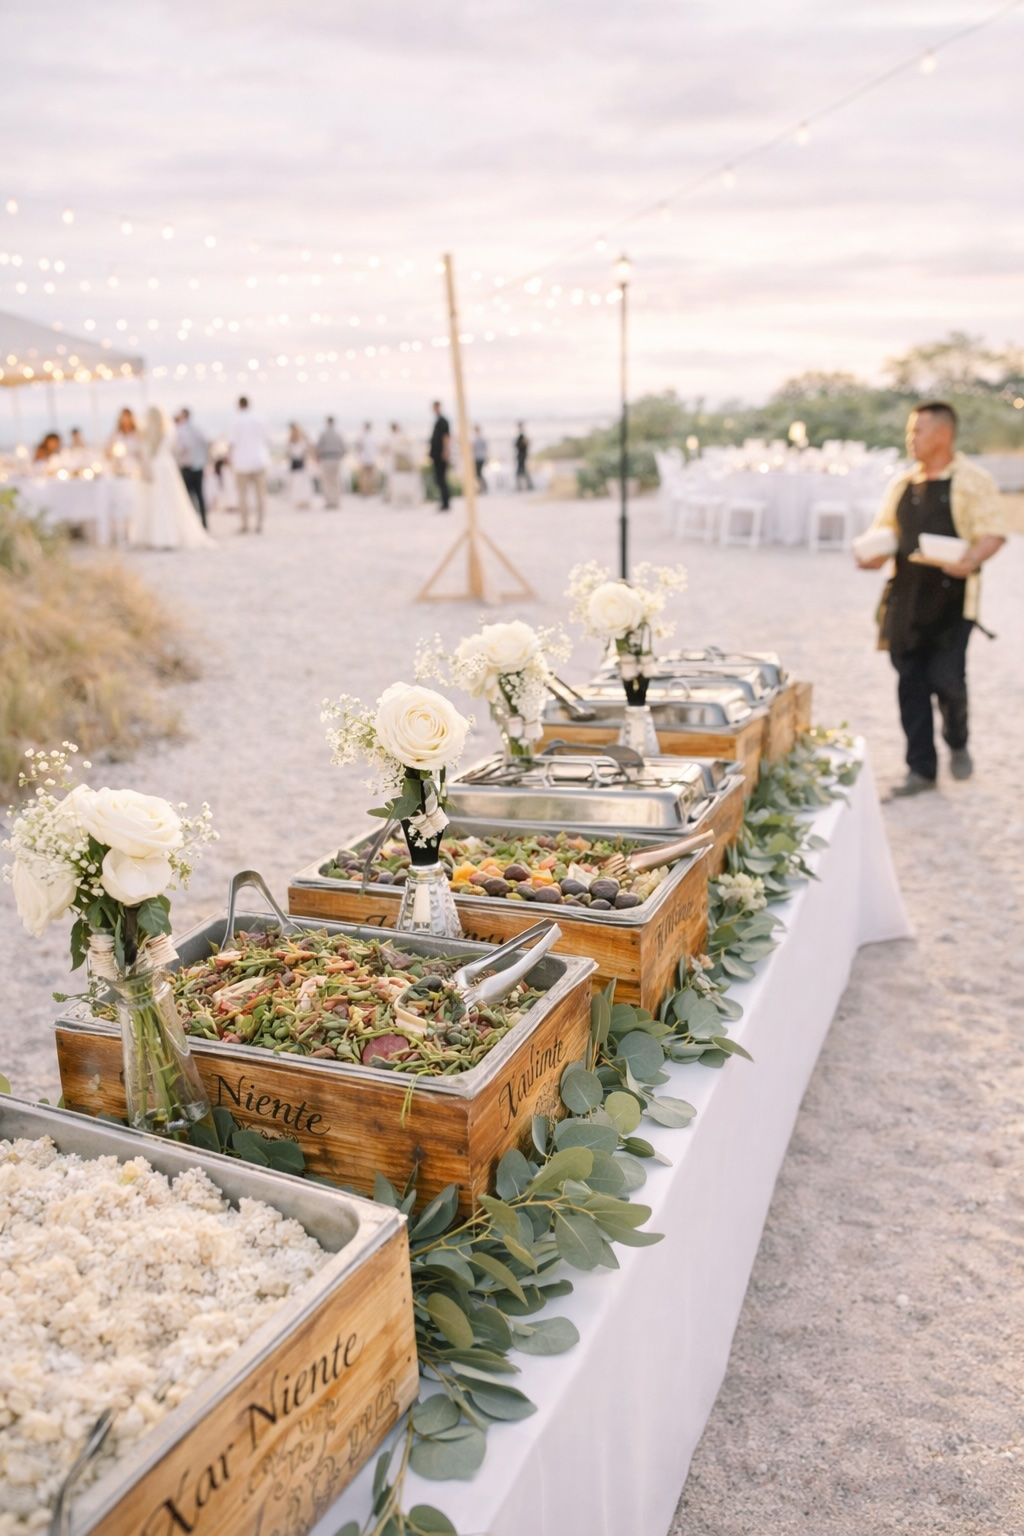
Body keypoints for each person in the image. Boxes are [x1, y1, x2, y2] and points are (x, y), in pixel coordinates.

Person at [857, 401, 1006, 797]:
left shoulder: (974, 480)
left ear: (942, 434)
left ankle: (957, 739)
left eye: (917, 430)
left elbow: (993, 531)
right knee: (910, 684)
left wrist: (971, 558)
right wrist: (873, 554)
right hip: (905, 599)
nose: (911, 438)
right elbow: (885, 530)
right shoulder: (902, 484)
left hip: (952, 603)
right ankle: (920, 770)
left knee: (948, 681)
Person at [133, 407, 214, 551]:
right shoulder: (169, 432)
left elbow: (144, 453)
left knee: (158, 501)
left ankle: (155, 536)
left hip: (156, 468)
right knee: (169, 501)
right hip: (166, 468)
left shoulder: (147, 434)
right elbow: (178, 449)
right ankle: (168, 535)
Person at [227, 395, 270, 534]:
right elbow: (266, 439)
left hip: (242, 463)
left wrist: (229, 458)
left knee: (242, 496)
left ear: (239, 405)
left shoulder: (236, 421)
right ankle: (260, 523)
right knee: (260, 495)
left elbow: (232, 443)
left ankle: (245, 524)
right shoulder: (260, 419)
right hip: (259, 460)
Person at [174, 408, 209, 529]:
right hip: (198, 466)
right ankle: (204, 522)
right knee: (200, 496)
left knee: (188, 497)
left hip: (187, 467)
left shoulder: (181, 430)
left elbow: (182, 447)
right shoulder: (198, 429)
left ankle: (191, 524)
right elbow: (205, 443)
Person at [315, 417, 345, 509]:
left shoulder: (323, 434)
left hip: (326, 459)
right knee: (335, 481)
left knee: (327, 481)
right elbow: (344, 448)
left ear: (327, 423)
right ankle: (336, 501)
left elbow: (318, 447)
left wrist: (318, 457)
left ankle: (329, 502)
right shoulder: (338, 434)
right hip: (336, 459)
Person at [286, 422, 314, 509]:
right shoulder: (296, 440)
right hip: (298, 463)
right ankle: (301, 501)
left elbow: (290, 452)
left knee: (300, 483)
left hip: (298, 463)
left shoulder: (295, 440)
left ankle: (303, 501)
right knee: (299, 483)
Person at [429, 401, 451, 512]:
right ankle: (444, 502)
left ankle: (446, 503)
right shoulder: (438, 421)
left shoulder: (443, 421)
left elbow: (446, 437)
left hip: (441, 455)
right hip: (437, 455)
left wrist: (446, 451)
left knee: (441, 479)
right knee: (439, 479)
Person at [106, 408, 141, 476]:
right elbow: (107, 451)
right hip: (118, 468)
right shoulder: (115, 434)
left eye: (128, 417)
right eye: (124, 417)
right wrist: (112, 452)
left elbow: (141, 452)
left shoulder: (137, 435)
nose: (125, 420)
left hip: (134, 468)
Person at [356, 421, 377, 496]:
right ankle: (370, 491)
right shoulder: (373, 437)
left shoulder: (361, 437)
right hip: (371, 459)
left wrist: (359, 457)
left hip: (364, 459)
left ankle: (364, 491)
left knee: (364, 477)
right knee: (370, 477)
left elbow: (358, 448)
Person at [514, 422, 533, 491]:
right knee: (523, 471)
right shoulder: (521, 436)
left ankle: (522, 486)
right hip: (521, 456)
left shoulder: (523, 436)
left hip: (522, 456)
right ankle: (526, 485)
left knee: (521, 471)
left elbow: (522, 445)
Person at [472, 424, 488, 492]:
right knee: (478, 473)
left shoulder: (480, 439)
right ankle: (481, 487)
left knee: (478, 473)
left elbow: (485, 449)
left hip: (480, 457)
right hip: (478, 457)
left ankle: (482, 487)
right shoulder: (476, 438)